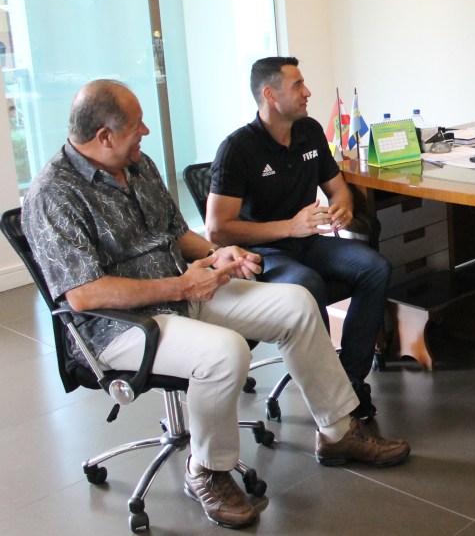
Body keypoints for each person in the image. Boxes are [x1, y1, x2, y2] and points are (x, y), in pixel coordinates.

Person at [22, 80, 410, 530]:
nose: (146, 131)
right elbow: (85, 295)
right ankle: (205, 469)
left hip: (183, 291)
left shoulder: (137, 165)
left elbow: (173, 233)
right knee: (225, 352)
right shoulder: (53, 194)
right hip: (119, 327)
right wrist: (181, 287)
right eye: (135, 126)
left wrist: (213, 254)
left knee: (298, 304)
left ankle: (338, 433)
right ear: (103, 136)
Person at [206, 57, 392, 420]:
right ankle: (328, 393)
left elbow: (338, 189)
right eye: (298, 86)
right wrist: (288, 227)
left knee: (376, 267)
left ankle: (348, 381)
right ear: (270, 94)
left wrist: (343, 208)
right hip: (261, 252)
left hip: (307, 242)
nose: (307, 92)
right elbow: (216, 229)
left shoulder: (307, 131)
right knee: (307, 285)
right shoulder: (237, 149)